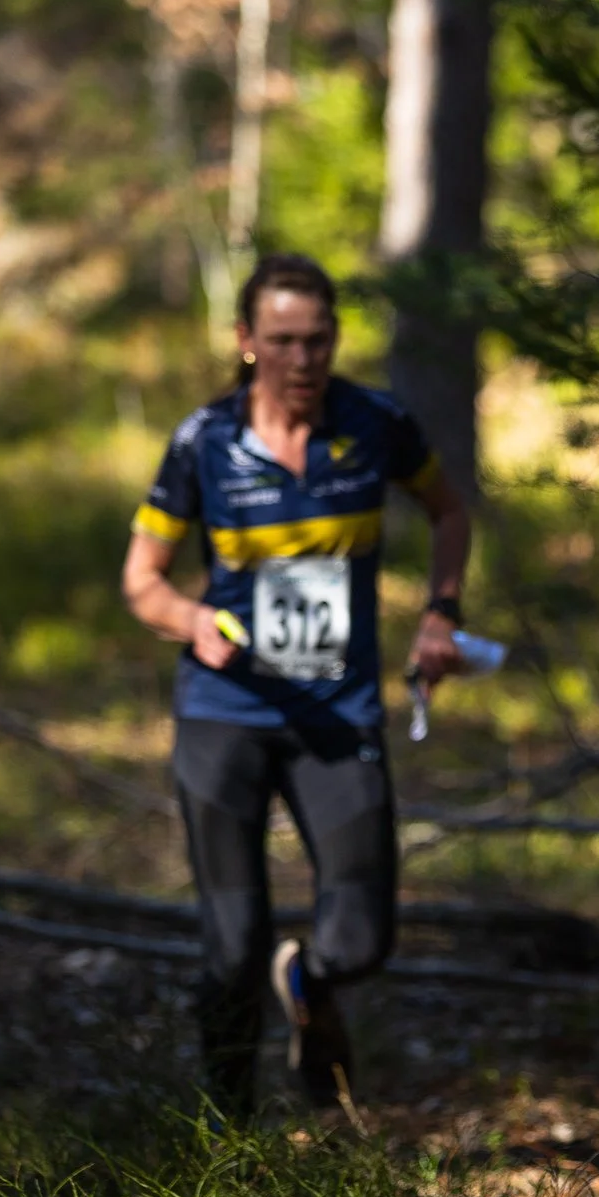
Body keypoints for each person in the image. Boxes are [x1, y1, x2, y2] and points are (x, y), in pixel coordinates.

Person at [122, 252, 470, 1118]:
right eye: (282, 341)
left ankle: (309, 985)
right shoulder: (204, 441)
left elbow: (450, 512)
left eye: (318, 340)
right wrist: (193, 621)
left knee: (361, 938)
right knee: (230, 946)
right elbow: (142, 581)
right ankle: (228, 1130)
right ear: (246, 342)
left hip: (336, 714)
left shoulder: (378, 423)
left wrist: (440, 614)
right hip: (225, 712)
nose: (303, 360)